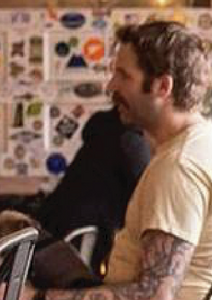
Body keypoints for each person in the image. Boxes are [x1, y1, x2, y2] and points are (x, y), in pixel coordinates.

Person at [34, 21, 212, 300]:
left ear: (162, 87)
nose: (110, 87)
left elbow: (152, 299)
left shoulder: (181, 165)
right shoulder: (206, 142)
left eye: (123, 75)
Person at [36, 106, 151, 257]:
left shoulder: (103, 132)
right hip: (83, 236)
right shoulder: (130, 142)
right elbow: (145, 196)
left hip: (59, 223)